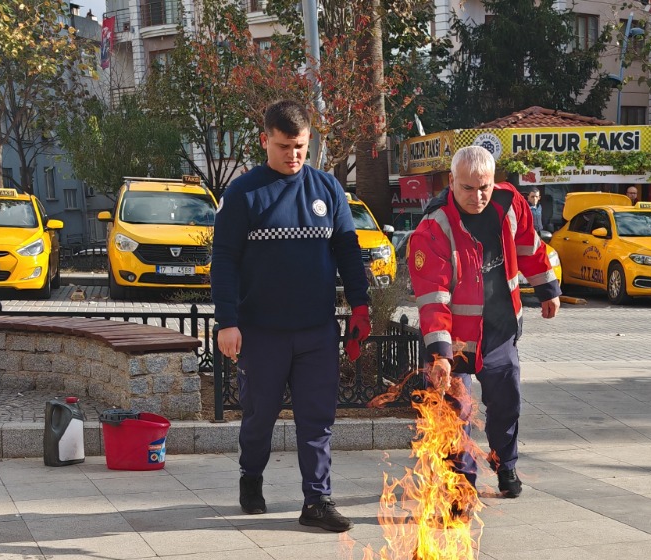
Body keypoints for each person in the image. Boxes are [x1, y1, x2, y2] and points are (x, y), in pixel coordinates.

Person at [213, 100, 371, 533]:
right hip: (261, 331)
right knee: (259, 415)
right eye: (284, 146)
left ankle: (317, 500)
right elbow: (224, 260)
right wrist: (227, 321)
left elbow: (347, 250)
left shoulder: (327, 190)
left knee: (317, 417)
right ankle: (251, 476)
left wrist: (360, 306)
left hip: (316, 329)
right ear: (265, 140)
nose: (294, 155)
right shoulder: (243, 194)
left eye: (300, 146)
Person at [408, 145, 560, 501]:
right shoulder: (432, 230)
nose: (477, 197)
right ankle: (461, 488)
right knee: (454, 414)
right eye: (467, 188)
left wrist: (547, 286)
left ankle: (504, 462)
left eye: (484, 187)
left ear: (495, 182)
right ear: (451, 182)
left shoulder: (511, 204)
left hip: (499, 332)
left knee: (508, 402)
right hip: (454, 343)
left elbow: (529, 246)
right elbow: (433, 299)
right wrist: (441, 354)